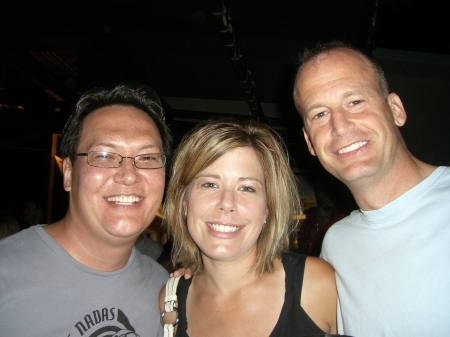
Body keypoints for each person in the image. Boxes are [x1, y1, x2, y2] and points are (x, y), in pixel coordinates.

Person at [293, 41, 450, 336]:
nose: (339, 126)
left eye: (355, 102)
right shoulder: (335, 243)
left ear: (395, 110)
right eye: (319, 114)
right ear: (310, 142)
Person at [0, 83, 172, 336]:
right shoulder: (6, 273)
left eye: (147, 158)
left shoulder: (163, 289)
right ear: (68, 173)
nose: (128, 175)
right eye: (104, 156)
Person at [160, 118, 337, 337]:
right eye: (210, 184)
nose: (226, 203)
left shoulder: (317, 285)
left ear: (268, 208)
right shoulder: (169, 301)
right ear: (183, 201)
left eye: (246, 188)